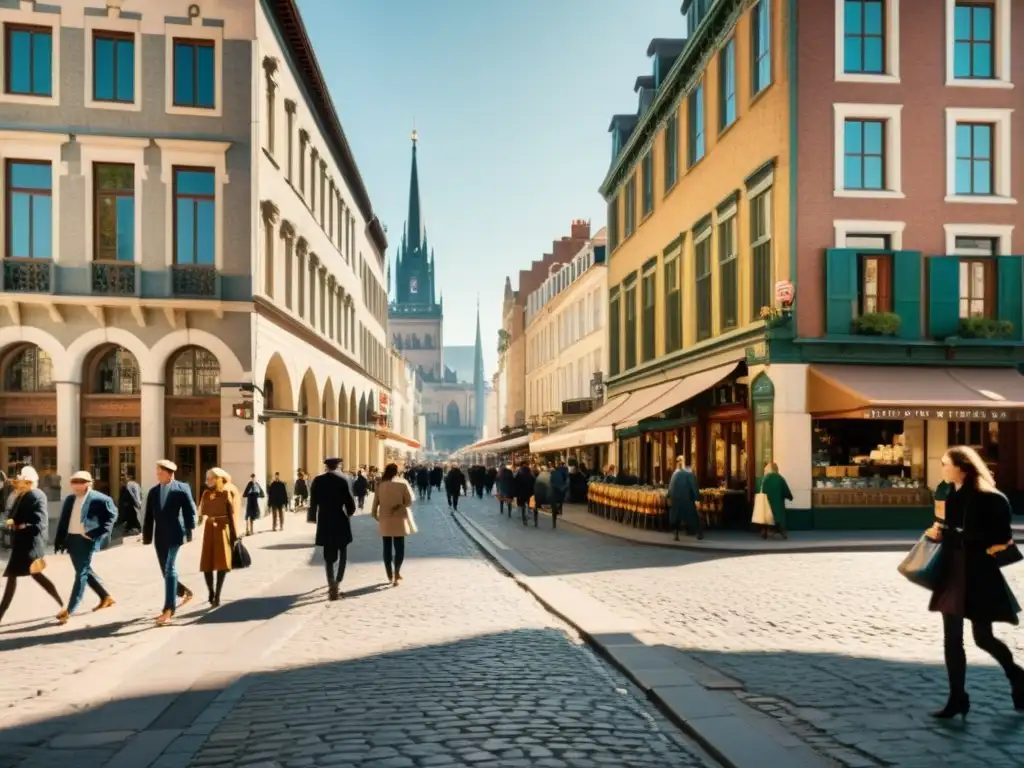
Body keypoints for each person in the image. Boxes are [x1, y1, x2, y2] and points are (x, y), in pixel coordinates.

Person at [926, 445, 1024, 720]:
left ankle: (1017, 676)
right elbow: (946, 526)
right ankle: (957, 697)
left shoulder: (990, 498)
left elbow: (1000, 537)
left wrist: (957, 536)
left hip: (978, 573)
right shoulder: (949, 494)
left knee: (983, 638)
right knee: (952, 638)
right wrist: (939, 532)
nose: (942, 467)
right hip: (953, 572)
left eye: (946, 463)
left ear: (962, 467)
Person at [0, 468, 64, 625]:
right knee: (16, 578)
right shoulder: (24, 495)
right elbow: (14, 519)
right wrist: (5, 524)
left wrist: (17, 526)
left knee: (36, 576)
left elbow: (38, 522)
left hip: (30, 543)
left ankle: (63, 606)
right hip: (23, 543)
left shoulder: (35, 495)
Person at [54, 471, 118, 623]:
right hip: (71, 539)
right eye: (74, 481)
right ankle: (105, 596)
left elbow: (112, 516)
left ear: (88, 483)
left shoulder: (100, 499)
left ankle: (70, 609)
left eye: (81, 481)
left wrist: (96, 533)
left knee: (81, 573)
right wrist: (61, 540)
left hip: (86, 540)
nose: (77, 485)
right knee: (84, 570)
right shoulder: (70, 499)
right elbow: (64, 520)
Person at [143, 459, 198, 625]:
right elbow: (148, 515)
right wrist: (147, 536)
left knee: (169, 568)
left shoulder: (181, 488)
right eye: (157, 472)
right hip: (159, 536)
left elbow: (190, 510)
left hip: (175, 534)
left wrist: (189, 531)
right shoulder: (153, 492)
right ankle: (184, 592)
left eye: (160, 472)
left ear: (169, 473)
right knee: (164, 571)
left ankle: (168, 609)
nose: (157, 474)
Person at [308, 458, 356, 600]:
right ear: (338, 466)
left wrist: (312, 517)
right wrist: (350, 511)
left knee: (329, 555)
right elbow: (349, 500)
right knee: (343, 550)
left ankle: (331, 583)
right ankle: (338, 581)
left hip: (325, 520)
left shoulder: (318, 480)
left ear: (326, 467)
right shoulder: (343, 479)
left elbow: (313, 501)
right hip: (340, 518)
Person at [198, 468, 237, 607]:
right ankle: (211, 592)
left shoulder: (226, 493)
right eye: (207, 478)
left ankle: (218, 595)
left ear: (217, 478)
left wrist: (234, 535)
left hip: (222, 528)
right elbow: (201, 513)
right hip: (209, 528)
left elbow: (231, 516)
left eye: (209, 478)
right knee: (207, 563)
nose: (207, 481)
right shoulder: (206, 494)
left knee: (222, 562)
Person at [371, 463, 415, 586]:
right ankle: (397, 573)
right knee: (399, 548)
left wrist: (377, 516)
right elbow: (409, 501)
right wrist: (400, 505)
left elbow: (375, 504)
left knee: (386, 547)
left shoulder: (380, 485)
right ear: (396, 472)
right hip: (399, 518)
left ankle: (389, 574)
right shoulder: (402, 484)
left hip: (385, 519)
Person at [756, 462, 793, 539]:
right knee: (778, 518)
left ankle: (765, 531)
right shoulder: (780, 478)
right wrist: (790, 497)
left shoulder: (762, 479)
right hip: (778, 506)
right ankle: (781, 531)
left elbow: (757, 490)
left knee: (766, 518)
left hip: (765, 505)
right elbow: (786, 490)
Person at [667, 457, 701, 541]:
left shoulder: (675, 474)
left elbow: (670, 487)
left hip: (675, 498)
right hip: (687, 498)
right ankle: (698, 533)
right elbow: (694, 487)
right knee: (692, 516)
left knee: (676, 516)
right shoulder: (690, 475)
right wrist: (697, 497)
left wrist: (669, 496)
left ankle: (676, 533)